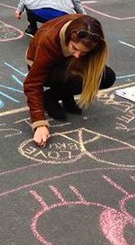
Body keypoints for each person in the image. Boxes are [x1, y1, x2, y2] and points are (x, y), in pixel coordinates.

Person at [23, 14, 116, 146]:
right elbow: (32, 83)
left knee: (107, 77)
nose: (78, 55)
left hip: (67, 64)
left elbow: (86, 62)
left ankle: (65, 94)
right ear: (69, 37)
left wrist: (79, 55)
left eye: (84, 53)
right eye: (75, 48)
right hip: (45, 67)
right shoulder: (48, 39)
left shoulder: (90, 31)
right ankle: (50, 97)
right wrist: (39, 124)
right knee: (74, 78)